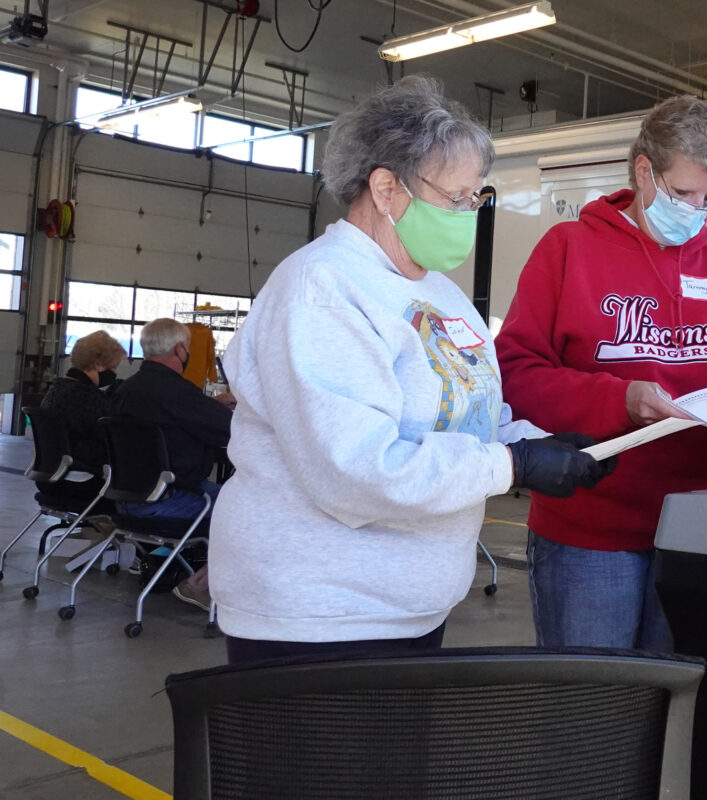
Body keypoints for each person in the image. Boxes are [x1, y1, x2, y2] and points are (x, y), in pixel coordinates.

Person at [207, 76, 613, 664]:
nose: (469, 213)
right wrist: (514, 465)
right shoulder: (321, 288)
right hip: (321, 615)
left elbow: (470, 417)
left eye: (476, 198)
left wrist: (540, 443)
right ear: (386, 188)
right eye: (456, 198)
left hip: (408, 606)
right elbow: (353, 471)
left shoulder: (440, 293)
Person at [495, 95, 707, 652]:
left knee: (675, 708)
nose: (695, 212)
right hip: (592, 533)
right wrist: (618, 400)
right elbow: (516, 372)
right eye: (682, 193)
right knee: (596, 710)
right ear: (644, 171)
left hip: (699, 527)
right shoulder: (569, 249)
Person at [110, 318, 235, 611]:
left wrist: (209, 406)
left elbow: (174, 420)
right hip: (170, 500)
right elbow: (229, 429)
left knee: (230, 498)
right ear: (180, 350)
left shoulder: (126, 390)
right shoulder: (178, 392)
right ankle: (201, 585)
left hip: (126, 499)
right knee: (251, 509)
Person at [40, 330, 126, 485]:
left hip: (50, 479)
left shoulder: (54, 391)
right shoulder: (90, 399)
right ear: (98, 364)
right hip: (82, 482)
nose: (114, 373)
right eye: (113, 367)